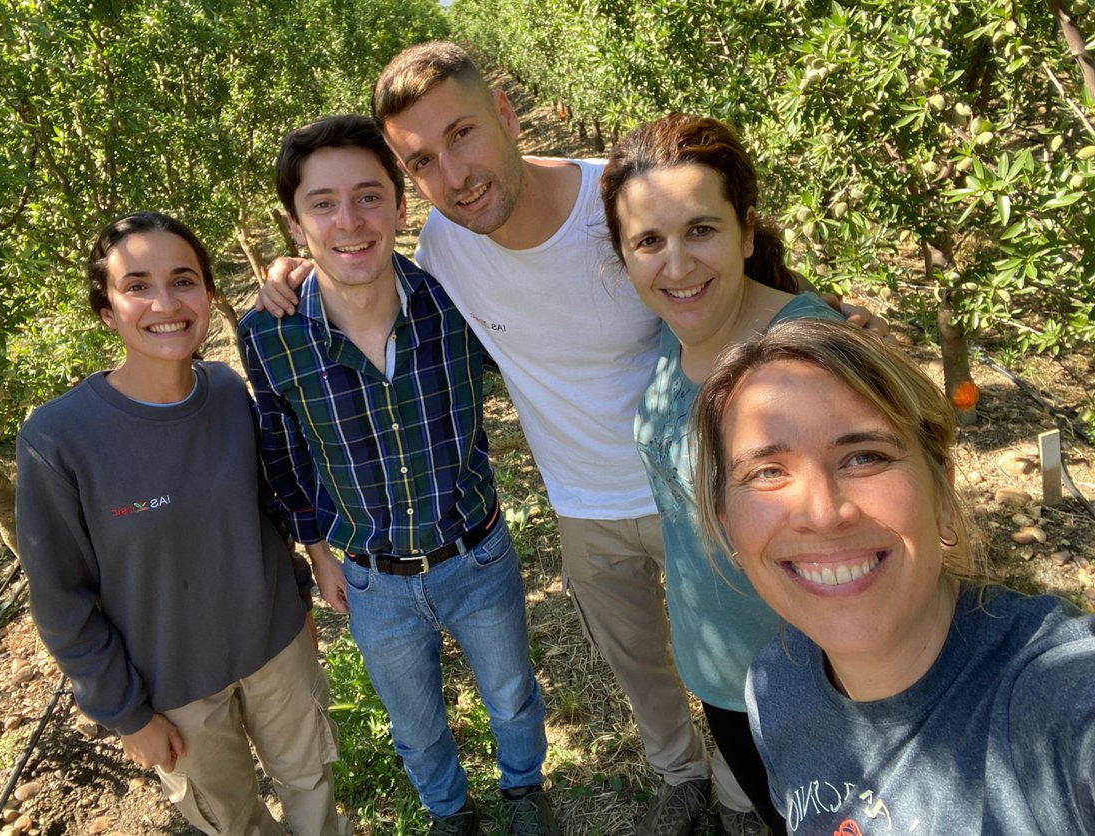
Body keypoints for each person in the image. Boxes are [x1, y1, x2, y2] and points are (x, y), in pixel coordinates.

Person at [259, 41, 882, 835]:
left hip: (695, 485)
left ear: (506, 115)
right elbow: (362, 282)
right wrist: (294, 271)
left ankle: (741, 791)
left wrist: (823, 320)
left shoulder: (614, 203)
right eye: (421, 161)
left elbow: (725, 270)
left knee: (741, 651)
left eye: (462, 134)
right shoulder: (444, 249)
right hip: (584, 502)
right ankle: (679, 773)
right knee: (638, 660)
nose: (454, 173)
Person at [238, 114, 559, 836]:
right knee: (413, 723)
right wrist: (318, 551)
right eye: (323, 204)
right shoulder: (270, 336)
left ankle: (523, 791)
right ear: (294, 224)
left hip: (476, 554)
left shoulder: (456, 302)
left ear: (400, 206)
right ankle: (449, 813)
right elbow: (284, 454)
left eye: (368, 197)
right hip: (372, 578)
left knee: (511, 694)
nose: (349, 221)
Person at [692, 318, 1095, 834]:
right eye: (767, 472)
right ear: (729, 527)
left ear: (941, 493)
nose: (822, 513)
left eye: (865, 457)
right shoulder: (774, 686)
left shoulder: (1056, 698)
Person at [15, 211, 348, 836]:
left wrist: (299, 597)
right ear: (107, 311)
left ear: (208, 293)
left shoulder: (226, 391)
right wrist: (126, 714)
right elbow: (61, 599)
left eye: (183, 280)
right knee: (232, 821)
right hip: (173, 687)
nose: (165, 304)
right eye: (137, 286)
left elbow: (265, 509)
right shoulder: (58, 439)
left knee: (312, 786)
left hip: (277, 648)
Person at [599, 112, 844, 834]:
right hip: (726, 675)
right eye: (649, 241)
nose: (677, 266)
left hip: (818, 682)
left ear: (745, 231)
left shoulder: (807, 355)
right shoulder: (674, 335)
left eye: (700, 230)